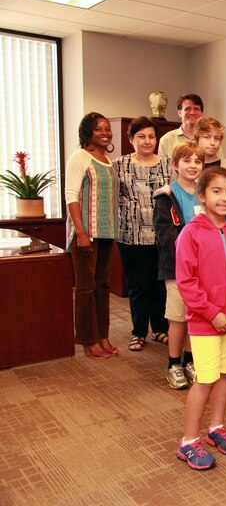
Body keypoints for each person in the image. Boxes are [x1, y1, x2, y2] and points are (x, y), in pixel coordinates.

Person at [175, 167, 226, 471]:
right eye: (216, 191)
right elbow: (187, 282)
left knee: (225, 376)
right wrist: (213, 313)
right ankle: (188, 442)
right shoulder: (192, 232)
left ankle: (216, 428)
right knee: (205, 380)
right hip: (205, 322)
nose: (224, 198)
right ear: (202, 195)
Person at [113, 117, 173, 353]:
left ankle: (159, 329)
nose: (147, 141)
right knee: (138, 286)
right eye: (141, 137)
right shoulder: (119, 165)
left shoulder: (168, 165)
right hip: (131, 235)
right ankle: (138, 332)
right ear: (131, 140)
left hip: (163, 236)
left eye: (151, 136)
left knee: (160, 285)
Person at [65, 112, 119, 360]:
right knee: (86, 288)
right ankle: (88, 339)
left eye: (107, 128)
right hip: (86, 234)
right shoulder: (80, 157)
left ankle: (103, 335)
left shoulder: (107, 160)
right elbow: (71, 196)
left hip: (106, 233)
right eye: (99, 129)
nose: (105, 132)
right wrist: (81, 232)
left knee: (102, 285)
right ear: (88, 132)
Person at [153, 142, 204, 389]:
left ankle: (190, 360)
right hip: (176, 267)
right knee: (178, 317)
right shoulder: (166, 195)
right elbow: (166, 235)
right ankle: (173, 364)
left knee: (194, 316)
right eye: (187, 161)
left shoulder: (205, 193)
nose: (192, 166)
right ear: (175, 165)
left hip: (203, 267)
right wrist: (189, 254)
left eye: (197, 161)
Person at [158, 94, 205, 159]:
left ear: (201, 113)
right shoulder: (166, 140)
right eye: (187, 109)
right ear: (179, 113)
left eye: (196, 109)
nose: (192, 112)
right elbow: (162, 168)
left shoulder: (211, 140)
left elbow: (217, 168)